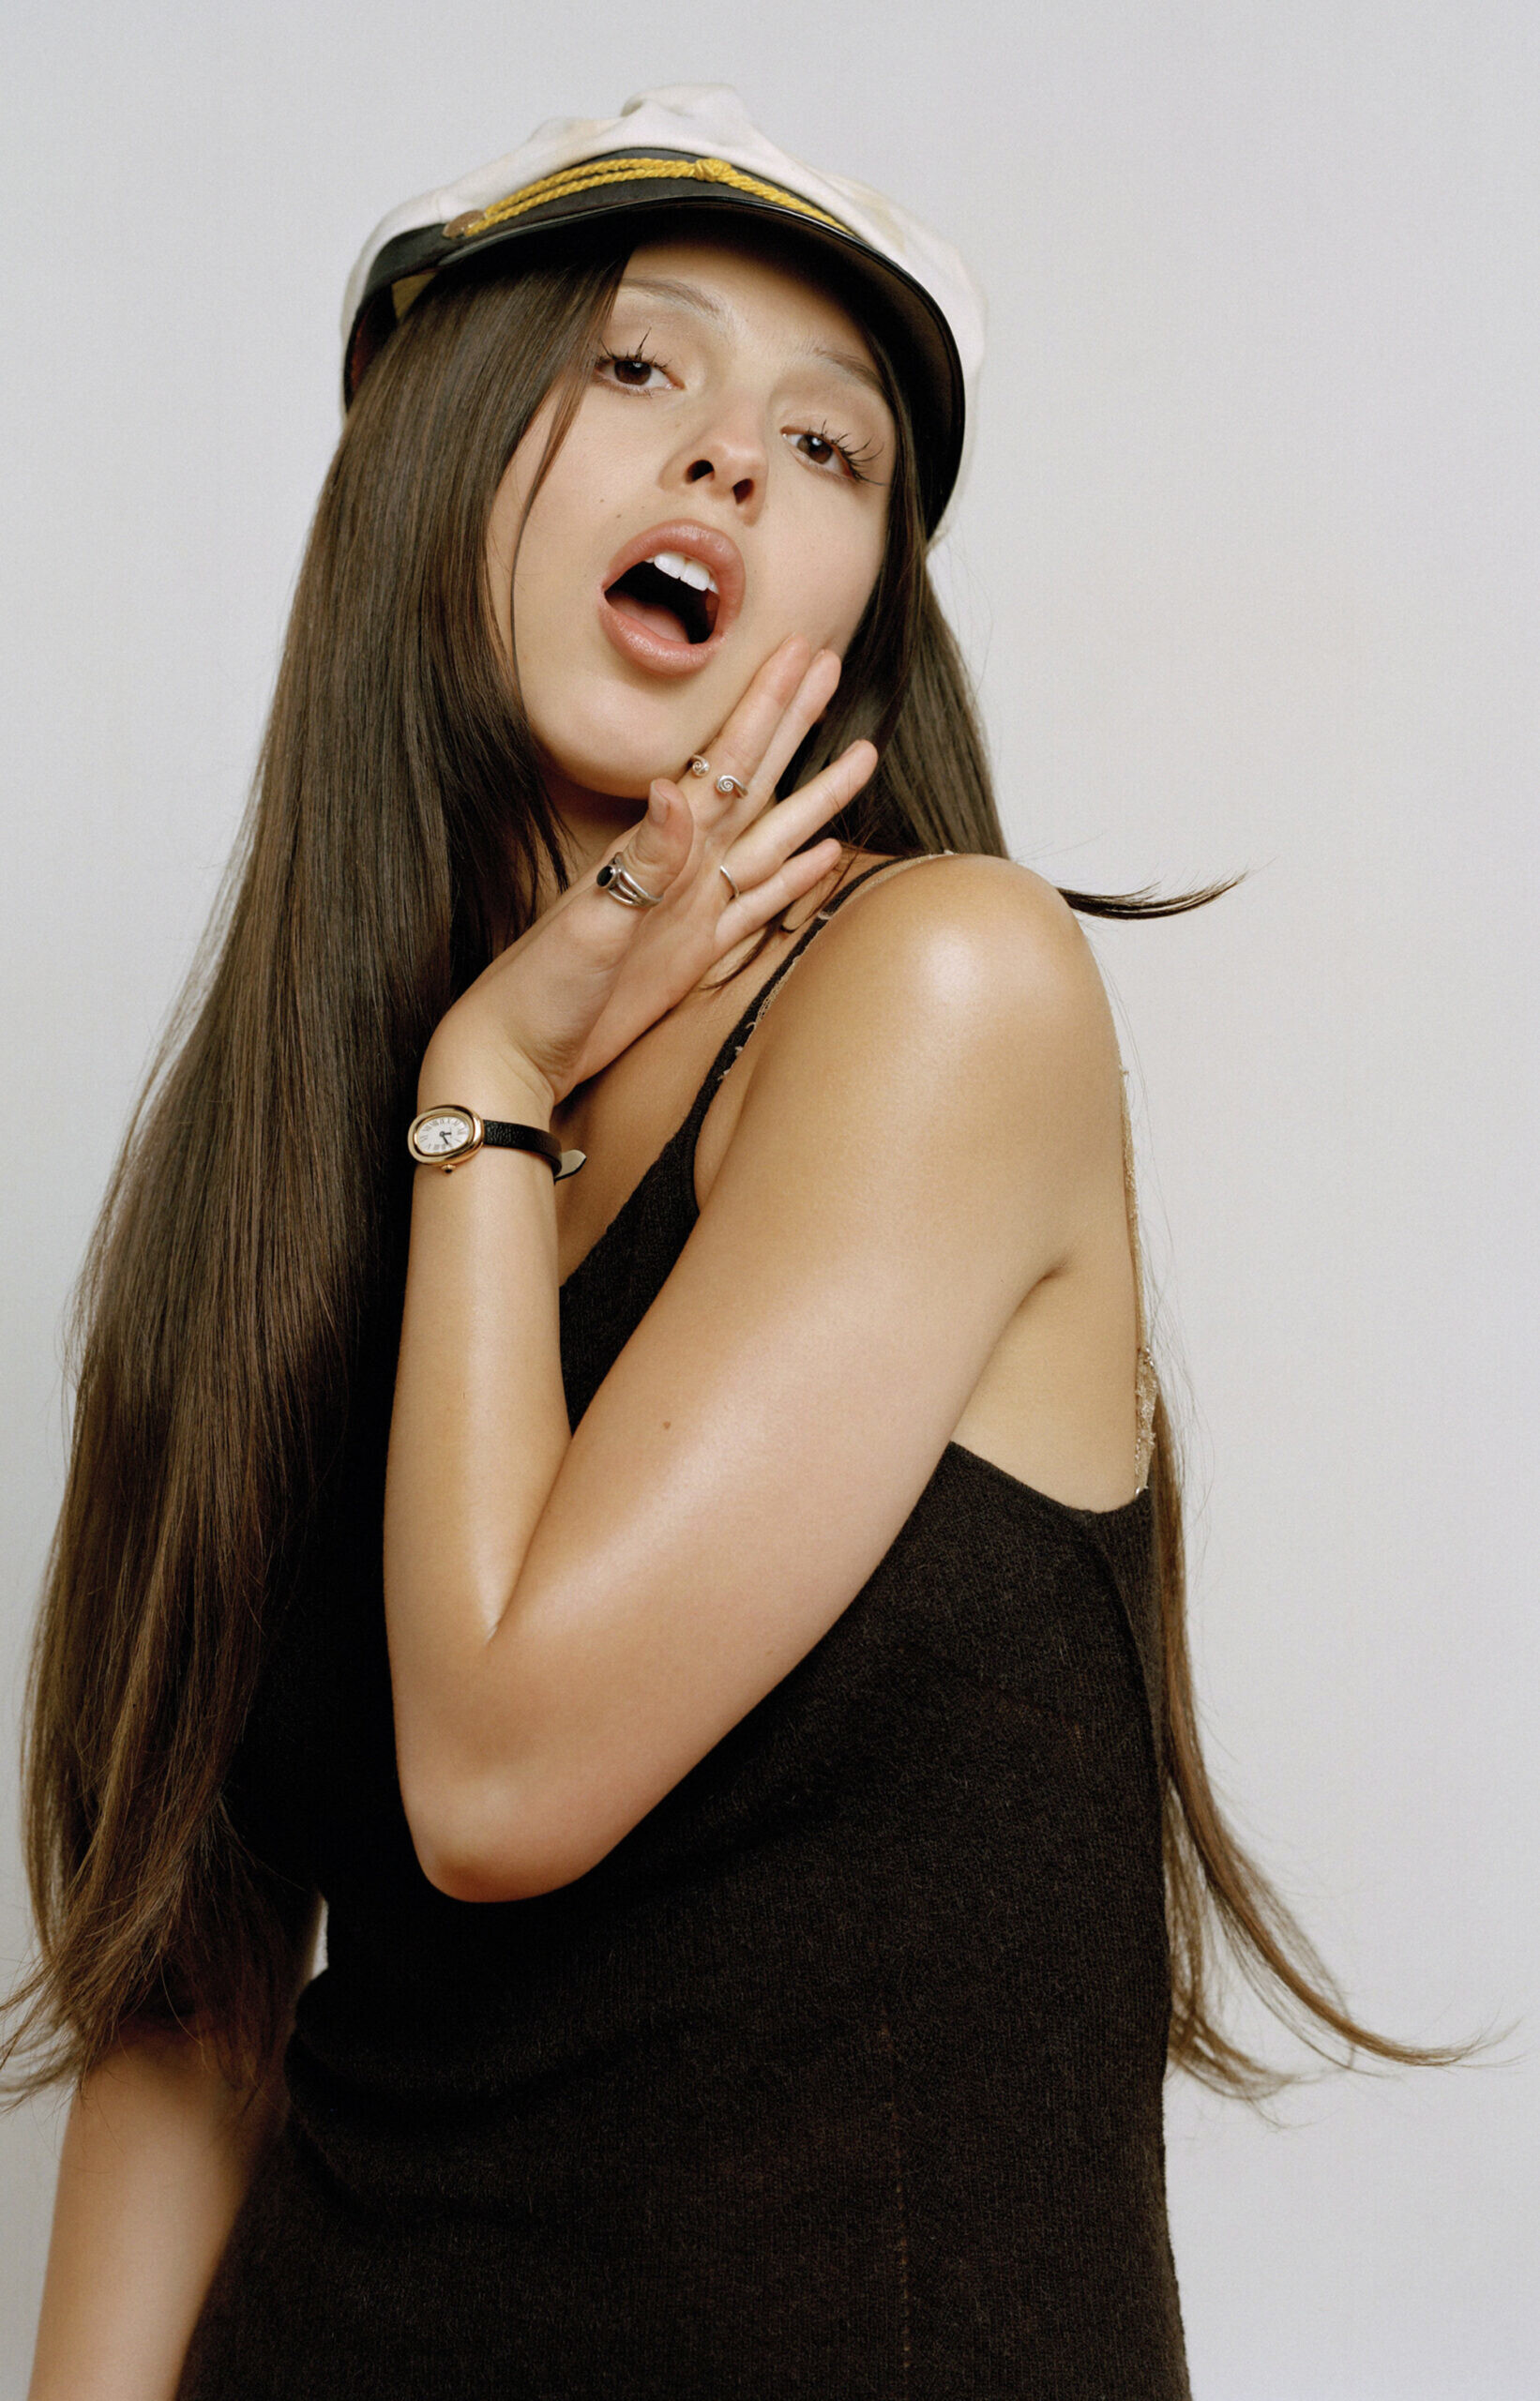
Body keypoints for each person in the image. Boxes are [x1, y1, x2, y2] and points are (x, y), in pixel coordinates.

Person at [11, 84, 1454, 2401]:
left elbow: (499, 1777)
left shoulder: (943, 992)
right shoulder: (270, 1186)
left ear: (857, 605)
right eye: (633, 364)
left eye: (826, 444)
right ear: (425, 452)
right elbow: (190, 2001)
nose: (729, 462)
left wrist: (490, 1074)